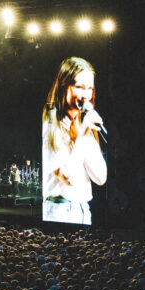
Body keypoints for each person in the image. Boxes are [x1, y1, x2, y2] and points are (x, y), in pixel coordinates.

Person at [42, 56, 107, 224]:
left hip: (83, 209)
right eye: (80, 87)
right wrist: (82, 134)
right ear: (64, 86)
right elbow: (68, 177)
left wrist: (82, 135)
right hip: (60, 211)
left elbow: (100, 177)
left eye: (90, 89)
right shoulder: (52, 123)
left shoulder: (82, 124)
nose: (86, 95)